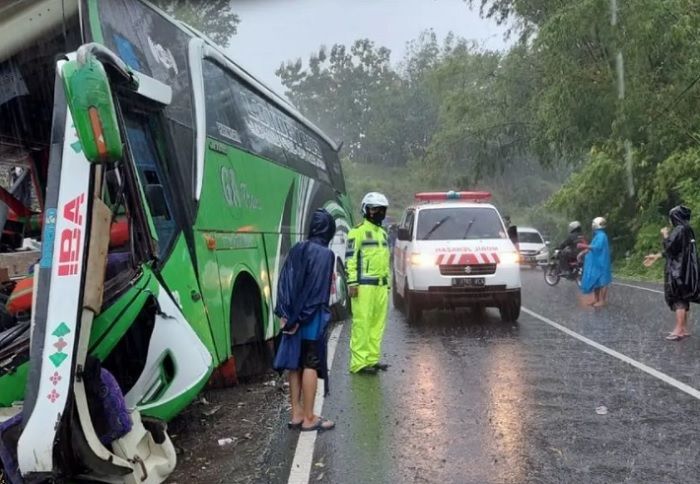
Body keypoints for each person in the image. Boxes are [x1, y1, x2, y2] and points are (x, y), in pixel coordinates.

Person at [273, 208, 336, 432]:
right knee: (310, 363)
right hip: (310, 317)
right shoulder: (325, 255)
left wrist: (286, 315)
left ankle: (296, 413)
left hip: (292, 317)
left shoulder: (297, 248)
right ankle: (310, 417)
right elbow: (317, 292)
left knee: (294, 364)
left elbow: (284, 282)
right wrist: (300, 318)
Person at [347, 192, 391, 374]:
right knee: (362, 323)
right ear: (366, 210)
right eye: (374, 209)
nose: (378, 212)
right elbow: (350, 259)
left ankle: (372, 359)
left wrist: (387, 284)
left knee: (377, 324)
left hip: (381, 286)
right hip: (363, 285)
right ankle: (359, 363)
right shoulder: (356, 232)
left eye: (381, 209)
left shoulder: (383, 234)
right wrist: (352, 282)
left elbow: (385, 260)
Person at [644, 205, 698, 341]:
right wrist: (656, 256)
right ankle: (683, 328)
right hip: (686, 269)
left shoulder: (679, 230)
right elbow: (675, 250)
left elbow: (669, 247)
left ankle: (679, 329)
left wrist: (665, 235)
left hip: (677, 270)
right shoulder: (687, 229)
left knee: (678, 298)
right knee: (683, 297)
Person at [578, 217, 612, 307]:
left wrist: (584, 246)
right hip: (596, 262)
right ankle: (596, 299)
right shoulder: (597, 235)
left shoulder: (601, 236)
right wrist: (583, 252)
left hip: (601, 262)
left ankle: (602, 301)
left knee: (603, 281)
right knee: (596, 281)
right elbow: (592, 246)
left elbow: (597, 247)